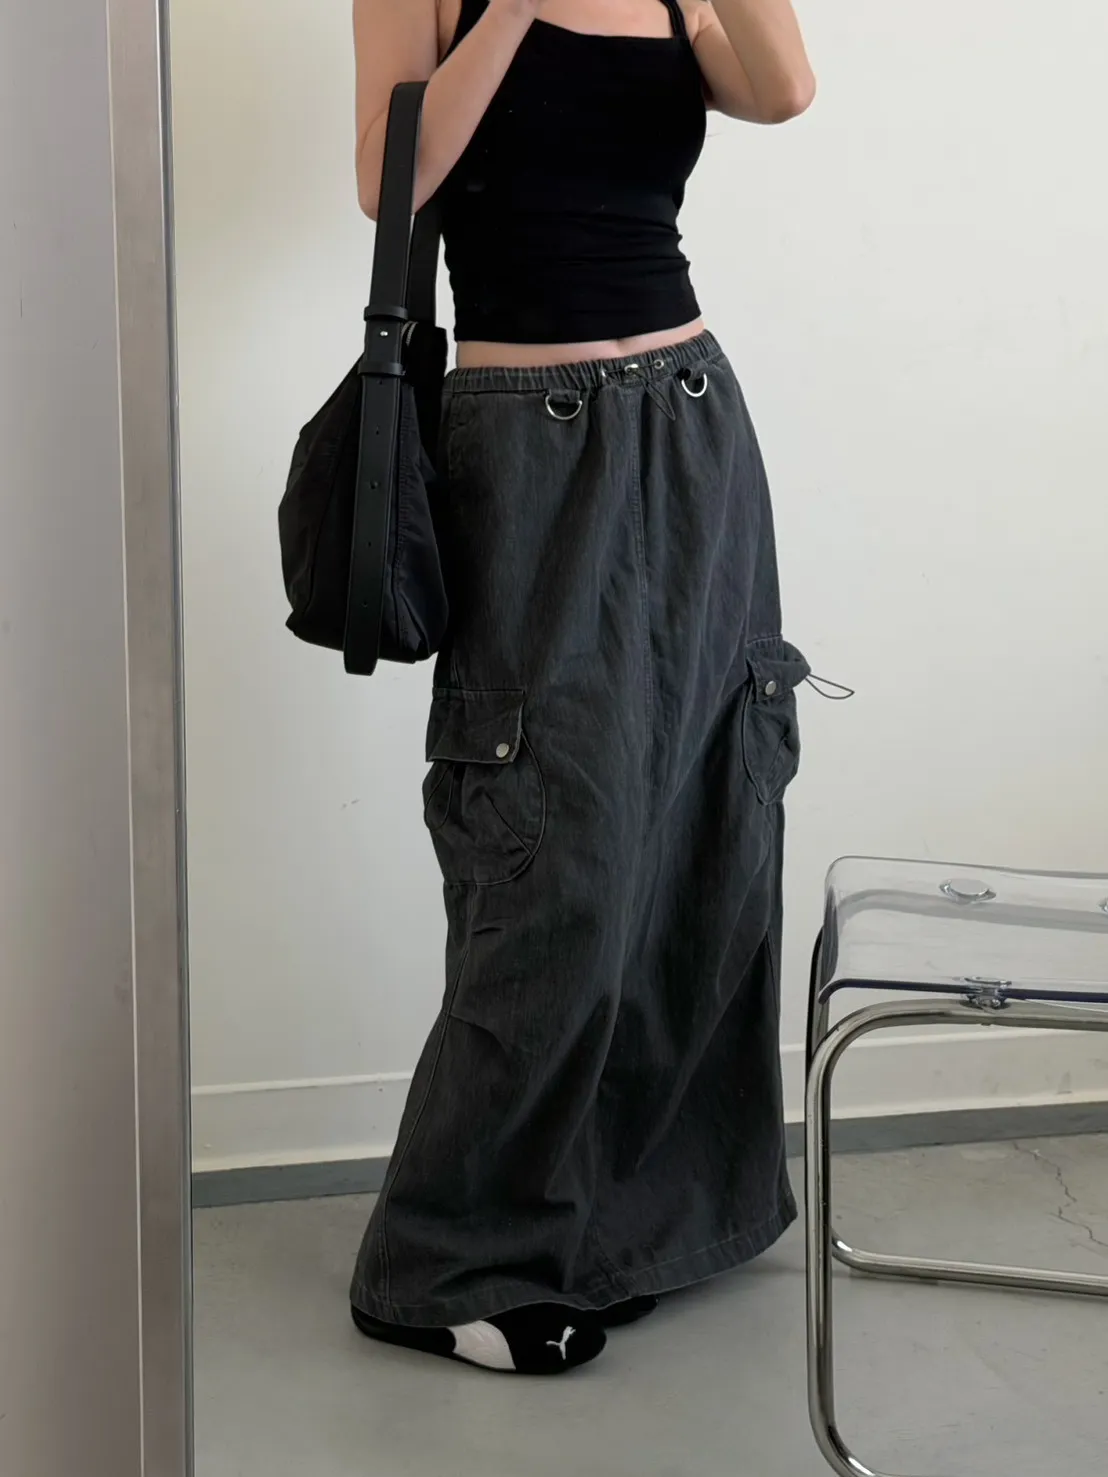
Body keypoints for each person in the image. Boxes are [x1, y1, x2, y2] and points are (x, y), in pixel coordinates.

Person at [349, 0, 815, 1375]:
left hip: (693, 422)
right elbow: (388, 184)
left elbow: (784, 89)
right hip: (525, 447)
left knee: (705, 828)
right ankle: (442, 1265)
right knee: (554, 846)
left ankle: (626, 1224)